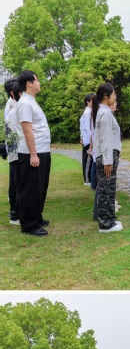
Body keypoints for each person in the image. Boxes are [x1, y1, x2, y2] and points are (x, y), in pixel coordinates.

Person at [16, 70, 51, 237]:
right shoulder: (24, 103)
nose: (39, 83)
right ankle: (29, 225)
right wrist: (33, 154)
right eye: (37, 80)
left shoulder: (31, 101)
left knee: (40, 187)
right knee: (31, 189)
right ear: (29, 83)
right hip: (33, 153)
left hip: (42, 150)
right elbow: (27, 131)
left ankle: (36, 217)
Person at [92, 83, 123, 233]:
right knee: (106, 190)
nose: (115, 97)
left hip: (109, 156)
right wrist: (108, 161)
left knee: (110, 189)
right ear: (106, 96)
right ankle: (105, 223)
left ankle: (110, 219)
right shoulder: (104, 114)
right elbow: (105, 139)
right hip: (107, 157)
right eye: (113, 94)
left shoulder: (105, 112)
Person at [4, 80, 21, 226]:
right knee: (15, 182)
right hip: (15, 149)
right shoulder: (12, 107)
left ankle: (15, 210)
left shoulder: (13, 105)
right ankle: (15, 212)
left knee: (15, 181)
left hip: (14, 148)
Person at [80, 94, 94, 185]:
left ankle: (89, 179)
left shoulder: (89, 112)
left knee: (90, 160)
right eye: (92, 100)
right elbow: (87, 128)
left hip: (87, 139)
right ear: (88, 102)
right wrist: (91, 140)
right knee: (88, 160)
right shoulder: (88, 113)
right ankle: (87, 180)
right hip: (88, 140)